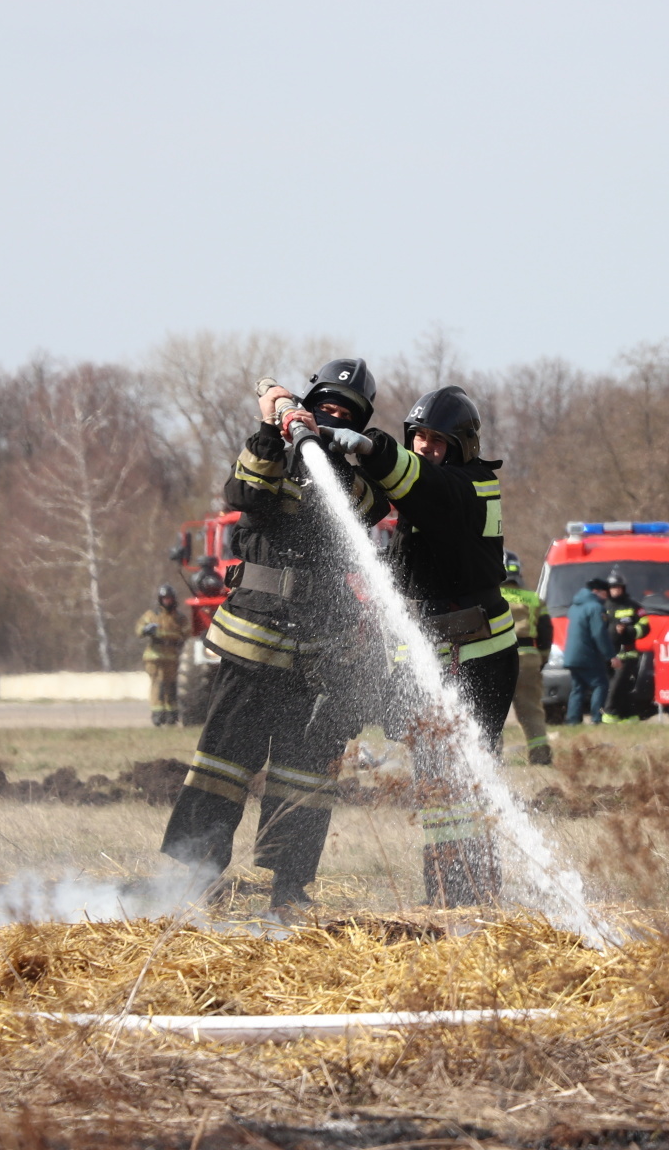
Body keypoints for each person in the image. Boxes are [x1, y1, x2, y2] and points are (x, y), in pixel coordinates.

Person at [160, 358, 389, 913]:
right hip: (252, 639)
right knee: (223, 760)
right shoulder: (272, 455)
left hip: (318, 652)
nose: (332, 417)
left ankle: (289, 888)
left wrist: (336, 450)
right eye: (325, 407)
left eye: (345, 413)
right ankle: (198, 875)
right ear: (308, 407)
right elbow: (244, 494)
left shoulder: (354, 481)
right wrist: (272, 427)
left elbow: (363, 509)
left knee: (304, 772)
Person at [333, 384, 518, 907]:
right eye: (417, 438)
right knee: (440, 782)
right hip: (453, 650)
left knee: (462, 778)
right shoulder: (436, 487)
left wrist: (372, 445)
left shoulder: (466, 485)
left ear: (461, 446)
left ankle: (470, 897)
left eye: (437, 441)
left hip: (473, 654)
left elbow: (419, 482)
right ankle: (447, 893)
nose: (424, 448)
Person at [498, 551, 554, 765]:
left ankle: (492, 757)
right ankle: (540, 755)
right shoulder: (532, 598)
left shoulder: (489, 596)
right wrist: (542, 658)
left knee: (493, 711)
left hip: (499, 659)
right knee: (531, 709)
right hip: (528, 658)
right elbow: (546, 630)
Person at [601, 570, 656, 722]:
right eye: (613, 587)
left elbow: (645, 625)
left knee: (616, 686)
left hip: (627, 654)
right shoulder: (603, 606)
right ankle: (628, 715)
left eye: (618, 587)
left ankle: (609, 715)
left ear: (623, 588)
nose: (615, 590)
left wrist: (630, 631)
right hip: (608, 654)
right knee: (620, 687)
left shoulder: (634, 606)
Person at [562, 578, 615, 725]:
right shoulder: (595, 607)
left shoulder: (574, 607)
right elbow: (599, 633)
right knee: (600, 684)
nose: (606, 598)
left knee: (578, 687)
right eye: (605, 594)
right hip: (587, 654)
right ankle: (597, 719)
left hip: (571, 655)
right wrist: (610, 655)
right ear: (596, 592)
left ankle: (572, 720)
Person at [136, 585, 188, 727]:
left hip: (173, 657)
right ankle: (158, 715)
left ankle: (172, 715)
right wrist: (147, 630)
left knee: (172, 686)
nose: (167, 601)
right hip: (155, 657)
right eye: (164, 598)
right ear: (160, 599)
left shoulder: (179, 618)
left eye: (169, 598)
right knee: (158, 685)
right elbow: (139, 630)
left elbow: (187, 634)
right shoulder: (151, 615)